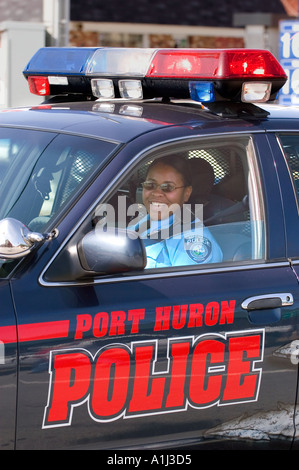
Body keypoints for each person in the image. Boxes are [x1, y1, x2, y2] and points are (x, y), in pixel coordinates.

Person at [131, 155, 223, 268]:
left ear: (187, 193)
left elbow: (185, 284)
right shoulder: (143, 223)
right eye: (150, 185)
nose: (156, 193)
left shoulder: (193, 241)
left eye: (168, 187)